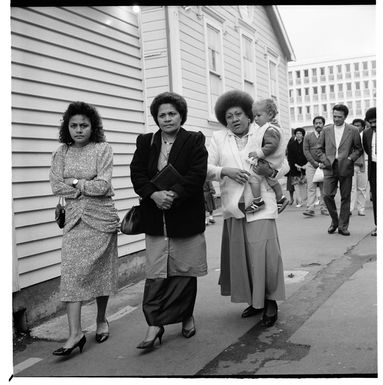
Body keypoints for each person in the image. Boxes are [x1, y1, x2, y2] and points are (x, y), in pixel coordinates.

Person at [130, 91, 208, 350]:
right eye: (162, 115)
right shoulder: (145, 142)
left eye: (172, 113)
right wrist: (154, 194)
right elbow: (137, 174)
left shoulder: (195, 140)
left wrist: (172, 195)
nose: (167, 118)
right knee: (156, 273)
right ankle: (154, 324)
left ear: (181, 115)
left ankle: (186, 316)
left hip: (184, 215)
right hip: (155, 217)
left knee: (184, 272)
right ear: (156, 118)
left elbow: (197, 175)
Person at [207, 90, 289, 327]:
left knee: (265, 254)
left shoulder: (263, 130)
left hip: (261, 201)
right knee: (243, 257)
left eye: (239, 114)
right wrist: (225, 171)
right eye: (229, 116)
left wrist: (270, 172)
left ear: (249, 115)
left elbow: (284, 164)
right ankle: (256, 301)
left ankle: (271, 301)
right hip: (235, 205)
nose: (234, 119)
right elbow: (206, 167)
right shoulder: (218, 138)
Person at [49, 102, 120, 356]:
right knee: (71, 275)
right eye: (74, 125)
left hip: (101, 220)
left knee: (101, 272)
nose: (79, 130)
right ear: (67, 127)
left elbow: (104, 186)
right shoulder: (62, 152)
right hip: (74, 222)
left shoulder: (103, 149)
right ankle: (75, 334)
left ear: (93, 127)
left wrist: (76, 181)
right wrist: (87, 185)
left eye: (84, 125)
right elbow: (56, 186)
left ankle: (101, 319)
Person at [317, 104, 363, 236]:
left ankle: (343, 226)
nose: (336, 119)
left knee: (345, 197)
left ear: (345, 117)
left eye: (339, 117)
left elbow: (358, 149)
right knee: (327, 195)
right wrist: (325, 160)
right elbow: (319, 149)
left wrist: (350, 158)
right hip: (329, 166)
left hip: (346, 166)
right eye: (334, 116)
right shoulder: (326, 130)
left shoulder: (353, 130)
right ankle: (335, 221)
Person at [245, 98, 289, 214]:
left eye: (258, 115)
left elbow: (271, 145)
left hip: (269, 161)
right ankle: (281, 198)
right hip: (272, 163)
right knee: (272, 180)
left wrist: (258, 153)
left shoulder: (270, 130)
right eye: (254, 116)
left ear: (269, 115)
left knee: (253, 177)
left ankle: (258, 201)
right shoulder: (270, 128)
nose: (255, 119)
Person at [302, 116, 329, 217]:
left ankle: (324, 208)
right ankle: (310, 208)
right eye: (316, 123)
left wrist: (324, 163)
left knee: (324, 188)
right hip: (311, 165)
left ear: (323, 124)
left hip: (324, 165)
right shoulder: (308, 136)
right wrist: (314, 163)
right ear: (313, 125)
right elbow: (306, 150)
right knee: (311, 187)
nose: (318, 125)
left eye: (320, 123)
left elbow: (330, 150)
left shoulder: (327, 136)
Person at [362, 107, 377, 236]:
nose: (373, 125)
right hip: (374, 169)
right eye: (370, 122)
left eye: (375, 121)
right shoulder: (367, 134)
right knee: (376, 199)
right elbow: (368, 150)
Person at [350, 118, 367, 216]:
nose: (356, 127)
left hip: (364, 163)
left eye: (358, 125)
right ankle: (350, 209)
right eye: (355, 125)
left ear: (363, 127)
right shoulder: (350, 136)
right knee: (351, 188)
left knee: (362, 188)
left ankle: (361, 209)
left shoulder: (366, 136)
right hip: (352, 164)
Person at [287, 128, 307, 207]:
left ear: (303, 135)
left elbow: (308, 154)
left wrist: (305, 165)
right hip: (294, 167)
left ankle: (304, 200)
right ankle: (299, 201)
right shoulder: (291, 144)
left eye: (300, 133)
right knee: (296, 184)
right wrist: (296, 165)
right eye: (297, 133)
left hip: (305, 166)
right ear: (295, 135)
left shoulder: (306, 143)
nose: (298, 135)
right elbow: (290, 157)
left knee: (304, 184)